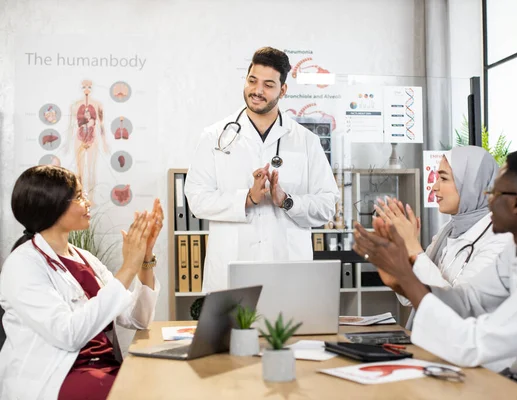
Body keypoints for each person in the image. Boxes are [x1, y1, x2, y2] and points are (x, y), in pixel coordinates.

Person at [353, 148, 517, 399]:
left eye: (493, 193)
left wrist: (407, 273)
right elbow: (466, 301)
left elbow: (472, 344)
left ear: (516, 203)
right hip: (515, 381)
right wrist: (401, 280)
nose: (488, 201)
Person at [0, 165, 163, 399]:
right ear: (53, 205)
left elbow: (137, 319)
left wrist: (145, 257)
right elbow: (69, 335)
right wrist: (128, 267)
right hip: (60, 375)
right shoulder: (22, 265)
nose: (89, 203)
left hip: (103, 366)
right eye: (79, 196)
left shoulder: (84, 258)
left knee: (162, 380)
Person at [185, 46, 339, 292]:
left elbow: (327, 205)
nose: (257, 91)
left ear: (283, 89)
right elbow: (196, 199)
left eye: (268, 85)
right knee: (231, 331)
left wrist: (287, 201)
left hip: (287, 272)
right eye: (252, 81)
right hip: (230, 271)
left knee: (289, 330)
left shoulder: (306, 141)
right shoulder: (214, 136)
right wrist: (246, 198)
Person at [376, 146, 512, 298]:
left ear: (472, 185)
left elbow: (460, 306)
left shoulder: (501, 240)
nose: (434, 187)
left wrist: (412, 246)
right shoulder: (448, 230)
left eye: (444, 178)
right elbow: (410, 295)